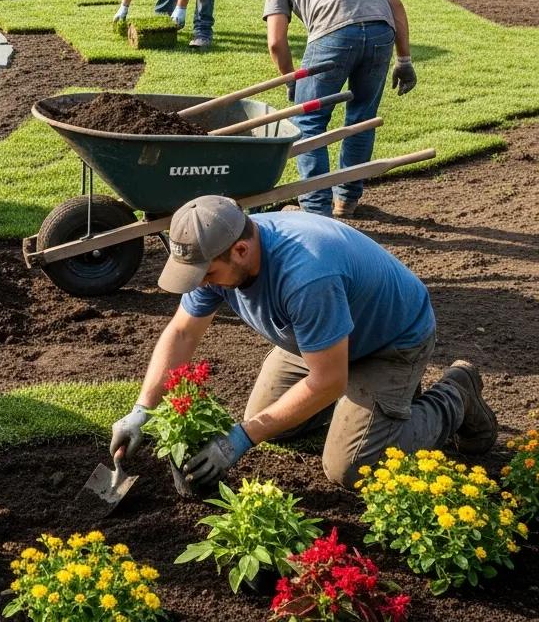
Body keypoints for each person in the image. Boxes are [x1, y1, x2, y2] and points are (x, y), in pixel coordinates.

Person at [109, 195, 497, 492]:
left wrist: (242, 437)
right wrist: (143, 410)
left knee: (352, 467)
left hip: (390, 342)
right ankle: (376, 407)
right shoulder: (218, 253)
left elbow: (328, 380)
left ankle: (455, 395)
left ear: (241, 250)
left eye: (207, 274)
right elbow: (182, 333)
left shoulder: (306, 274)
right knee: (271, 423)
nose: (202, 283)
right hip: (318, 340)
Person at [263, 0, 417, 218]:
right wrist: (404, 60)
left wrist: (291, 81)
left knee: (308, 123)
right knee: (362, 119)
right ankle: (346, 201)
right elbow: (395, 5)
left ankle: (316, 210)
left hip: (332, 33)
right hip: (381, 29)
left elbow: (275, 41)